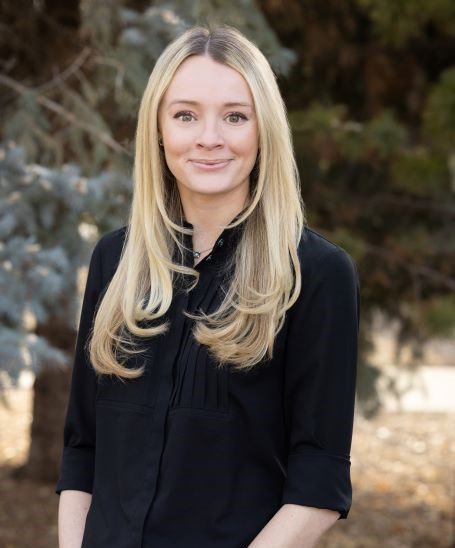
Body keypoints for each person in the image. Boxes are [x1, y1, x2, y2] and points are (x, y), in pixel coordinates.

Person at [56, 24, 360, 548]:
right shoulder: (115, 260)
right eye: (185, 115)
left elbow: (319, 481)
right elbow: (83, 451)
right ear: (158, 129)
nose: (209, 137)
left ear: (264, 130)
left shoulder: (317, 274)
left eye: (235, 116)